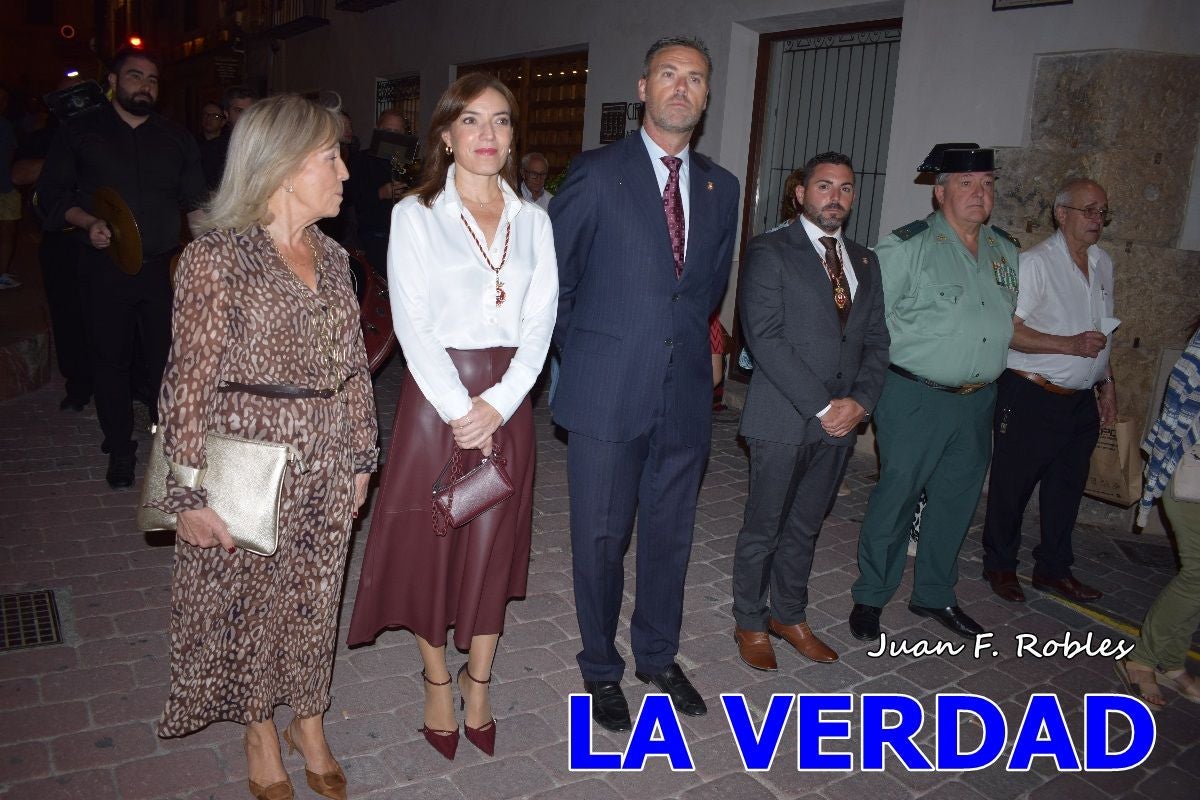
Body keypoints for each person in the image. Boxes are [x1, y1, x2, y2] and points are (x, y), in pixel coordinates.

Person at [147, 93, 377, 800]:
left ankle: (309, 718)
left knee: (315, 597)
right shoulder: (216, 259)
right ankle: (257, 730)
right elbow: (188, 380)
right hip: (249, 463)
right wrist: (183, 492)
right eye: (330, 157)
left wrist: (364, 456)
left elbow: (353, 364)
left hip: (329, 458)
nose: (345, 171)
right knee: (251, 605)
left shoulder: (336, 258)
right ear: (281, 168)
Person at [348, 73, 558, 761]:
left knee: (494, 539)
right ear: (446, 134)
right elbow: (411, 323)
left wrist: (500, 403)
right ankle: (437, 679)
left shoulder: (534, 220)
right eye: (471, 121)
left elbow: (540, 323)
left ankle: (480, 681)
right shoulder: (417, 214)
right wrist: (461, 408)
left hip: (509, 402)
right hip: (436, 406)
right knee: (433, 538)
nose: (488, 135)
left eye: (500, 121)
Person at [550, 35, 739, 731]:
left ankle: (657, 656)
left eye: (695, 78)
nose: (682, 88)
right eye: (669, 74)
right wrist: (597, 357)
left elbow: (706, 290)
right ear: (643, 87)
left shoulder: (722, 187)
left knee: (670, 536)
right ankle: (600, 666)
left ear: (706, 96)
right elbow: (554, 286)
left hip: (685, 394)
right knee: (601, 540)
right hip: (607, 392)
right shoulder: (597, 174)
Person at [849, 143, 1018, 641]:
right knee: (897, 497)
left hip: (979, 398)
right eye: (966, 183)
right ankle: (871, 596)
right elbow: (866, 323)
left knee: (956, 501)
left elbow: (1001, 319)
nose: (978, 193)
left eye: (987, 183)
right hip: (915, 396)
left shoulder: (1005, 250)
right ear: (939, 191)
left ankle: (935, 595)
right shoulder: (907, 247)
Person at [732, 151, 889, 670]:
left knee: (806, 525)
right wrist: (824, 405)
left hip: (841, 420)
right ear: (801, 193)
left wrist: (860, 402)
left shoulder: (864, 260)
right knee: (766, 524)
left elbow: (875, 340)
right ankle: (751, 621)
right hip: (783, 415)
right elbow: (766, 338)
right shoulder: (770, 250)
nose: (835, 198)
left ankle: (789, 614)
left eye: (845, 189)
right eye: (824, 187)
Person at [36, 48, 206, 488]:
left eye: (152, 79)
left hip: (161, 270)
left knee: (169, 362)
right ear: (113, 80)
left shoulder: (176, 138)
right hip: (103, 267)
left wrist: (213, 255)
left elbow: (197, 205)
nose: (145, 85)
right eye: (135, 76)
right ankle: (120, 449)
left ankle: (173, 449)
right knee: (109, 361)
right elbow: (53, 198)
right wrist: (88, 222)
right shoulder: (79, 132)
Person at [981, 178, 1115, 604]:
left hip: (1080, 401)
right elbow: (1009, 331)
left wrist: (1107, 382)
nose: (1097, 219)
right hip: (1031, 395)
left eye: (1102, 212)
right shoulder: (1035, 263)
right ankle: (1000, 565)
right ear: (1062, 214)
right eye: (1089, 210)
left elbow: (1102, 329)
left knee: (1066, 490)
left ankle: (1053, 569)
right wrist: (1068, 345)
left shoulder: (1103, 262)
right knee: (1012, 487)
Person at [1117, 321, 1200, 709]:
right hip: (1189, 470)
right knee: (1197, 573)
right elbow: (1180, 406)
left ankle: (1170, 659)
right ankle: (1143, 659)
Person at [345, 109, 409, 273]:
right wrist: (380, 194)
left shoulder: (408, 165)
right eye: (388, 131)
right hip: (373, 242)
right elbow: (347, 202)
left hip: (405, 240)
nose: (392, 136)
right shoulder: (360, 160)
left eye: (397, 132)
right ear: (378, 130)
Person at [197, 100, 227, 192]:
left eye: (215, 116)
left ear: (223, 122)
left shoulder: (229, 146)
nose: (209, 118)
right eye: (205, 114)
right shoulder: (192, 143)